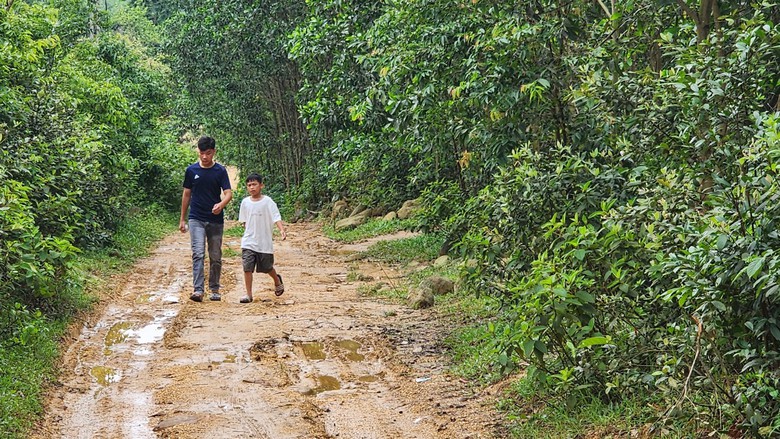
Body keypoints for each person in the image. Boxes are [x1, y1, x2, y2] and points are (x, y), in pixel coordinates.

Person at [179, 136, 233, 302]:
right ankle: (198, 290)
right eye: (202, 153)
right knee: (198, 253)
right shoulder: (191, 171)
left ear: (214, 152)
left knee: (215, 255)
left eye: (208, 153)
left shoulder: (220, 171)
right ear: (198, 152)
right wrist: (182, 219)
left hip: (215, 219)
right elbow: (186, 194)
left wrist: (221, 205)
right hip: (196, 218)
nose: (204, 157)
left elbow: (228, 193)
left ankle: (215, 289)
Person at [238, 173, 286, 303]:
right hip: (248, 241)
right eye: (249, 185)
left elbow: (276, 216)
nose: (252, 188)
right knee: (247, 268)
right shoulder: (245, 202)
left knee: (267, 267)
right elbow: (243, 221)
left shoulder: (268, 201)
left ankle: (277, 280)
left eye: (254, 184)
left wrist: (281, 230)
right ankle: (249, 295)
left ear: (261, 185)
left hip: (264, 242)